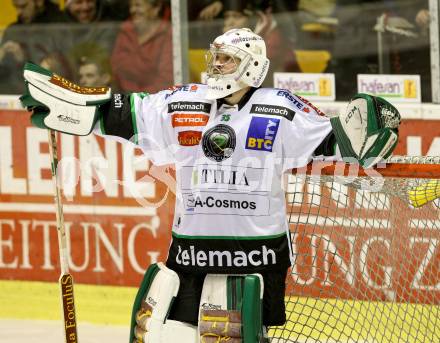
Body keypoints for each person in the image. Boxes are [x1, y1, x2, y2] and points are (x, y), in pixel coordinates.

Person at [20, 28, 401, 342]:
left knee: (242, 338)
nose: (217, 65)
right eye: (215, 56)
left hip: (255, 257)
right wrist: (79, 109)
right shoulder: (184, 101)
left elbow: (336, 142)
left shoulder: (281, 108)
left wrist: (365, 130)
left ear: (251, 67)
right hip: (190, 252)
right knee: (157, 334)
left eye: (228, 58)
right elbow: (124, 113)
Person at [0, 0, 64, 93]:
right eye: (16, 7)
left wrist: (23, 59)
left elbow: (63, 68)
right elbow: (6, 75)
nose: (19, 12)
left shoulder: (61, 25)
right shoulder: (13, 30)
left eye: (23, 6)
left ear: (39, 2)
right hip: (15, 93)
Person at [110, 0, 173, 92]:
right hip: (123, 97)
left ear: (156, 8)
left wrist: (139, 97)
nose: (133, 10)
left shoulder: (167, 34)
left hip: (155, 99)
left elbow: (166, 78)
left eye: (138, 5)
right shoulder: (126, 31)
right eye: (131, 6)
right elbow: (114, 68)